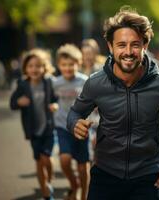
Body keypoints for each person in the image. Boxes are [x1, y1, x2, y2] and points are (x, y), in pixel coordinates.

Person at [66, 7, 159, 200]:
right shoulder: (96, 83)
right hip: (105, 173)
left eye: (135, 45)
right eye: (121, 45)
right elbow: (75, 113)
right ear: (110, 46)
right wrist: (75, 124)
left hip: (147, 175)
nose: (128, 52)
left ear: (145, 46)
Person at [10, 49, 57, 200]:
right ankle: (44, 191)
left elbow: (56, 99)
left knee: (47, 158)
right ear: (25, 68)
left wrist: (55, 105)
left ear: (44, 68)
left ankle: (49, 180)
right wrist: (19, 102)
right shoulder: (22, 84)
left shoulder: (48, 82)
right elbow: (12, 103)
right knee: (38, 160)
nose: (34, 69)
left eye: (38, 66)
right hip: (33, 130)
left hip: (48, 127)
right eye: (30, 66)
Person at [52, 44, 90, 200]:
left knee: (82, 166)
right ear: (59, 65)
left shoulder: (84, 81)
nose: (67, 68)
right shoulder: (55, 83)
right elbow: (50, 99)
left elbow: (93, 103)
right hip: (62, 126)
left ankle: (84, 195)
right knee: (64, 159)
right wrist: (51, 105)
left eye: (71, 65)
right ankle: (74, 186)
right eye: (64, 65)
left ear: (78, 63)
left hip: (81, 126)